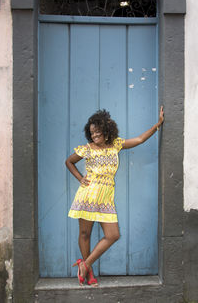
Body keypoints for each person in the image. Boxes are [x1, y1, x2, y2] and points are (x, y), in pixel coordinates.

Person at [65, 106, 164, 286]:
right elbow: (69, 161)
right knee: (85, 233)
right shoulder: (87, 148)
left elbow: (140, 139)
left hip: (106, 197)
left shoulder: (116, 144)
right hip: (88, 195)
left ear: (106, 131)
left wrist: (157, 124)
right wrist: (81, 178)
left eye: (98, 132)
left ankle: (84, 264)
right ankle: (89, 273)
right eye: (92, 133)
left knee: (113, 235)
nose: (94, 136)